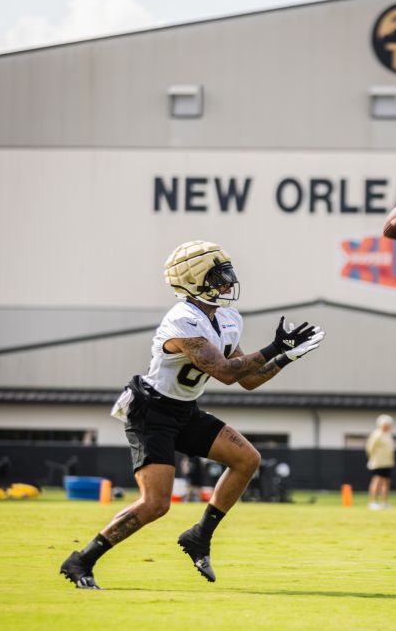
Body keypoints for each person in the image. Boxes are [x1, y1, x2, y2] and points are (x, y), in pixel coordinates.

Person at [60, 241, 326, 589]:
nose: (228, 283)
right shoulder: (182, 321)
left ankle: (200, 536)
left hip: (184, 409)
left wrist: (286, 358)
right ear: (195, 280)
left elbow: (248, 380)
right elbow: (226, 372)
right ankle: (81, 560)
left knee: (247, 459)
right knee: (156, 504)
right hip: (150, 410)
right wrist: (275, 347)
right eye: (219, 276)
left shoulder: (228, 318)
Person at [365, 414, 395, 509]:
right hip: (378, 462)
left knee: (386, 482)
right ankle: (372, 502)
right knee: (377, 480)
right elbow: (370, 448)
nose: (387, 426)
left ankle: (384, 502)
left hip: (387, 462)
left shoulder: (388, 434)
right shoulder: (376, 434)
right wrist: (372, 459)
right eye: (385, 424)